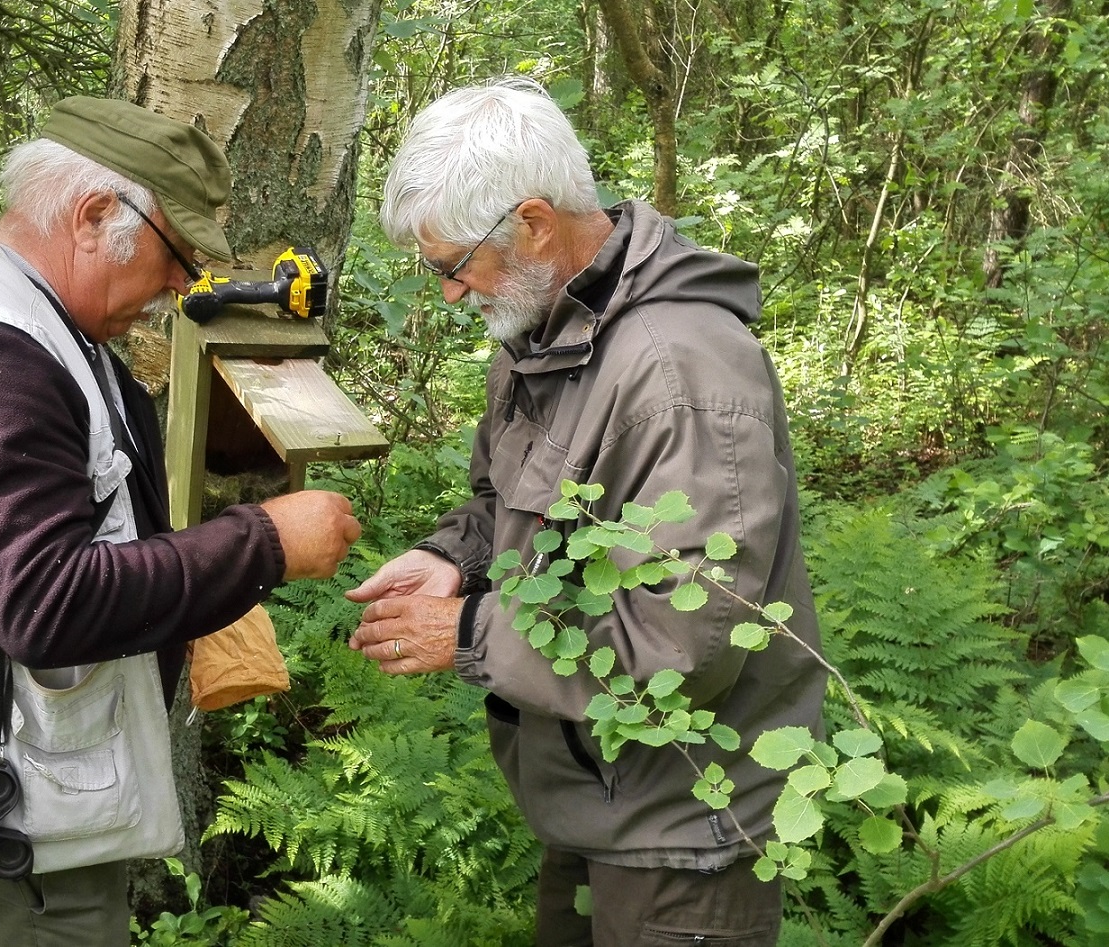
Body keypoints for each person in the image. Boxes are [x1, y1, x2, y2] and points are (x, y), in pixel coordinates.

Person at [0, 96, 360, 947]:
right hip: (11, 826)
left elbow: (73, 485)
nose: (179, 287)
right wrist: (265, 542)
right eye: (175, 256)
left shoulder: (6, 296)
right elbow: (43, 606)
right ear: (93, 215)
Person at [345, 79, 825, 947]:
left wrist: (464, 633)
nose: (452, 294)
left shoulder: (681, 374)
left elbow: (688, 644)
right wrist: (454, 559)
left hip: (681, 830)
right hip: (592, 795)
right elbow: (505, 501)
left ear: (532, 222)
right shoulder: (545, 332)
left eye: (453, 266)